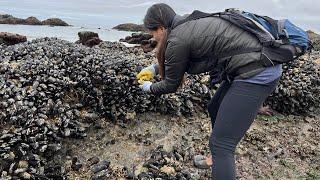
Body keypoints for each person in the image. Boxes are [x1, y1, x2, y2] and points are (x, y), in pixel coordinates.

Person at [137, 3, 281, 180]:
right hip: (248, 66)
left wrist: (148, 87)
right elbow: (193, 61)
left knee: (222, 144)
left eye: (152, 33)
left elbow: (170, 85)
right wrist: (154, 68)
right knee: (215, 107)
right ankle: (216, 158)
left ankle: (219, 155)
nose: (153, 37)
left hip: (257, 72)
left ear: (160, 27)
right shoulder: (188, 24)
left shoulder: (177, 38)